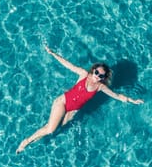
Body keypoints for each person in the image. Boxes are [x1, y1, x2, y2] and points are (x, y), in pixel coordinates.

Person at [16, 45, 144, 153]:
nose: (98, 76)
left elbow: (117, 96)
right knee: (51, 129)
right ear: (93, 71)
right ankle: (26, 141)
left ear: (104, 77)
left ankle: (34, 140)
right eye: (97, 73)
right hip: (63, 102)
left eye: (101, 75)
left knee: (51, 128)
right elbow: (68, 64)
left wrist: (132, 100)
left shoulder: (101, 87)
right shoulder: (83, 74)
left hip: (72, 111)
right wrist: (53, 53)